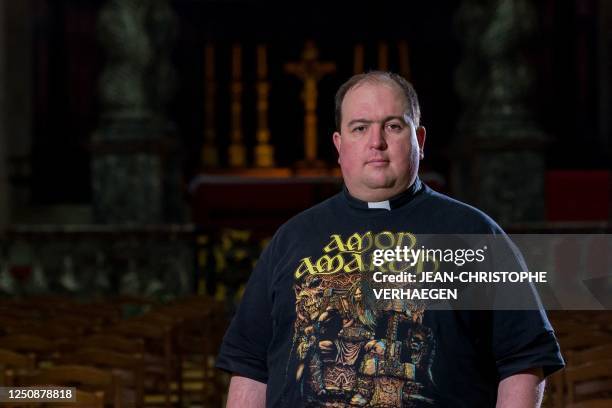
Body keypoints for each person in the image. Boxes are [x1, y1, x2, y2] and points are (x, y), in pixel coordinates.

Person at [216, 71, 564, 407]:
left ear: (420, 140)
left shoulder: (475, 233)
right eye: (360, 127)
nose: (376, 142)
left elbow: (524, 358)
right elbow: (249, 365)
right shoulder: (291, 239)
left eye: (394, 126)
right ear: (339, 144)